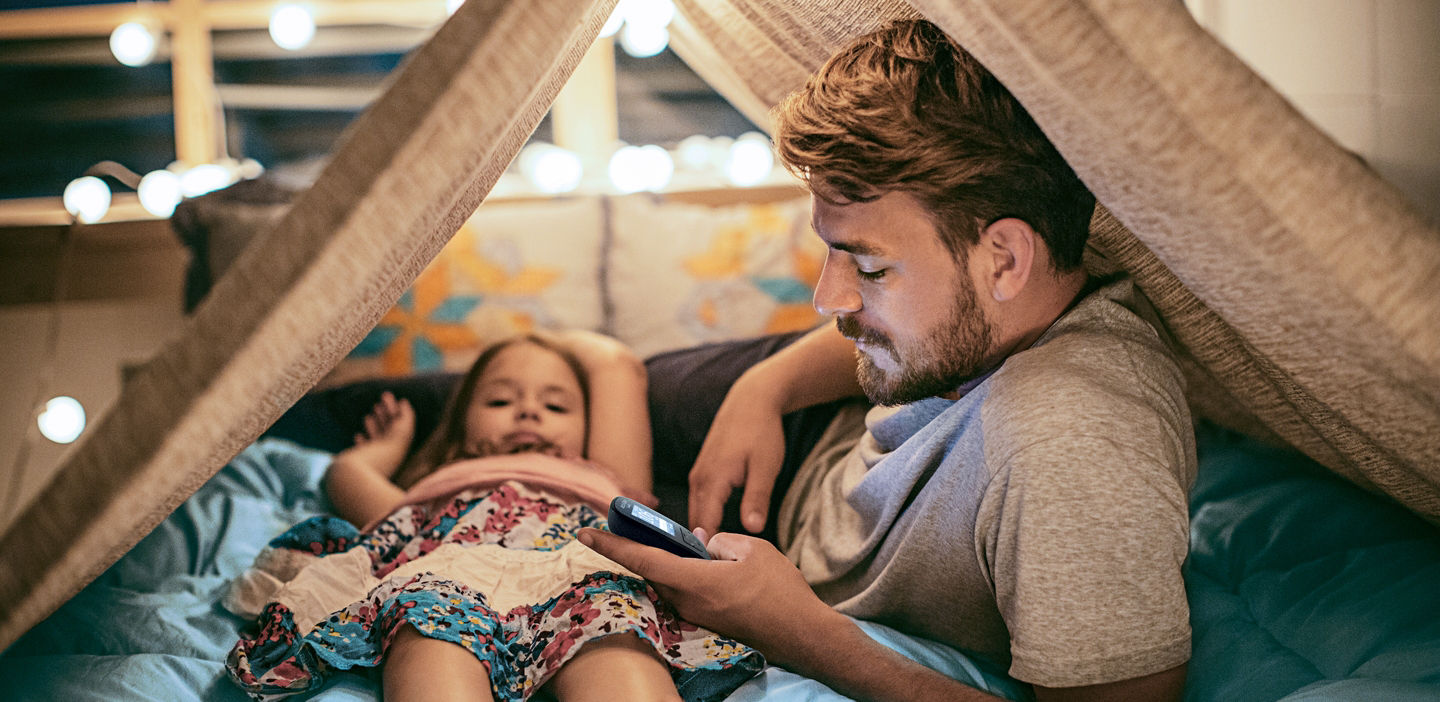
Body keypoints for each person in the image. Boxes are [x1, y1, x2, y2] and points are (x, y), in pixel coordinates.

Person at [580, 19, 1195, 702]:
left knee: (522, 488)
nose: (825, 297)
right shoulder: (1016, 295)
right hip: (803, 428)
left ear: (1006, 260)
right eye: (832, 252)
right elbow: (922, 338)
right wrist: (767, 389)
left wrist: (800, 634)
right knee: (518, 392)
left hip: (777, 538)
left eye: (869, 267)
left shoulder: (1072, 443)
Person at [225, 331, 761, 702]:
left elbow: (614, 363)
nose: (529, 411)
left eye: (556, 406)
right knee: (428, 633)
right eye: (501, 399)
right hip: (448, 574)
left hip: (581, 571)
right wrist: (393, 444)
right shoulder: (439, 487)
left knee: (616, 642)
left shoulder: (605, 473)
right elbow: (345, 475)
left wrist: (534, 336)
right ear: (459, 426)